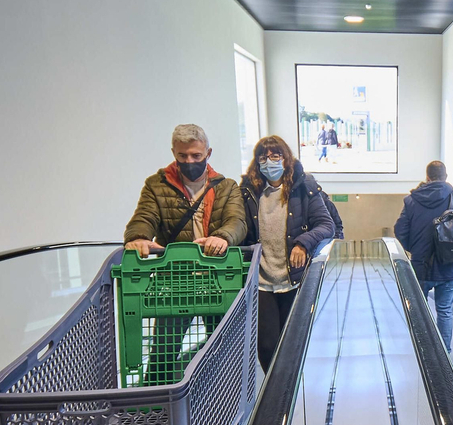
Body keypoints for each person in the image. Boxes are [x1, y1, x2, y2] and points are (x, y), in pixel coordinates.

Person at [123, 124, 247, 382]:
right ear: (174, 153)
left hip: (216, 279)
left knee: (226, 347)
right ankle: (156, 411)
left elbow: (237, 222)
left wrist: (222, 237)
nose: (189, 161)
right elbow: (144, 217)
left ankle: (223, 398)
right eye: (182, 156)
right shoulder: (156, 185)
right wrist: (138, 238)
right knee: (164, 353)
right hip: (175, 281)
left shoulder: (226, 187)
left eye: (195, 156)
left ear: (208, 153)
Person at [241, 135, 335, 370]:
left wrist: (302, 244)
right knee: (266, 345)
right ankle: (274, 394)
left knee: (293, 342)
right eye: (263, 157)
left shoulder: (304, 188)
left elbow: (326, 225)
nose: (269, 162)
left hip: (294, 279)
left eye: (275, 156)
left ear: (286, 159)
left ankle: (290, 389)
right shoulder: (248, 192)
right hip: (262, 281)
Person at [394, 160, 453, 350]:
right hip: (449, 264)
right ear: (445, 177)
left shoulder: (411, 200)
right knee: (445, 311)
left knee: (418, 312)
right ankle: (445, 354)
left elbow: (400, 230)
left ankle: (421, 352)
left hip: (420, 264)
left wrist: (414, 248)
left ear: (428, 178)